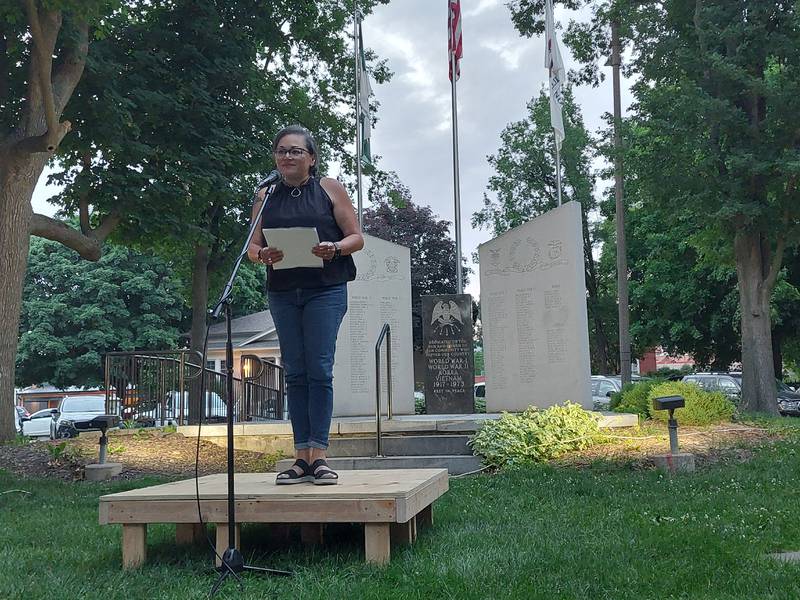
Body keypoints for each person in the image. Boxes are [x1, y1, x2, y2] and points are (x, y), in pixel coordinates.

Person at [248, 125, 363, 485]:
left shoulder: (329, 189)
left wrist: (335, 248)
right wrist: (262, 254)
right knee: (295, 372)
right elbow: (251, 247)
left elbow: (356, 237)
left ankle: (320, 456)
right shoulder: (265, 194)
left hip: (324, 289)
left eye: (296, 151)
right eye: (281, 151)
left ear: (311, 159)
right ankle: (300, 457)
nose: (287, 157)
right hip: (284, 291)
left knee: (319, 368)